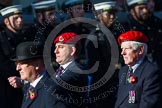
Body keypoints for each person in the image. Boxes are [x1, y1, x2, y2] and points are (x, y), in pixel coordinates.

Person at [12, 41, 68, 108]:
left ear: (37, 64)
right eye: (16, 64)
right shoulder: (28, 87)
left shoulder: (52, 89)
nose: (17, 68)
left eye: (22, 63)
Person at [115, 30, 161, 108]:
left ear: (140, 50)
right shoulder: (123, 71)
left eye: (127, 49)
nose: (122, 53)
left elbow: (148, 104)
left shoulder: (151, 72)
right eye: (122, 49)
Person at [0, 5, 30, 108]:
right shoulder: (1, 39)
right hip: (7, 88)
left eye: (21, 17)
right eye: (16, 18)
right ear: (7, 21)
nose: (20, 20)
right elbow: (3, 66)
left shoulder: (26, 37)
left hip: (26, 84)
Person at [53, 32, 91, 107]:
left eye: (61, 47)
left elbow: (53, 85)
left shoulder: (77, 70)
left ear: (72, 51)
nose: (55, 51)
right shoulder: (60, 69)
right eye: (56, 47)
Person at [122, 0, 162, 69]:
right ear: (132, 11)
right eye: (141, 8)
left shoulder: (155, 23)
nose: (145, 11)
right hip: (137, 68)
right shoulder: (126, 27)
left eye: (146, 8)